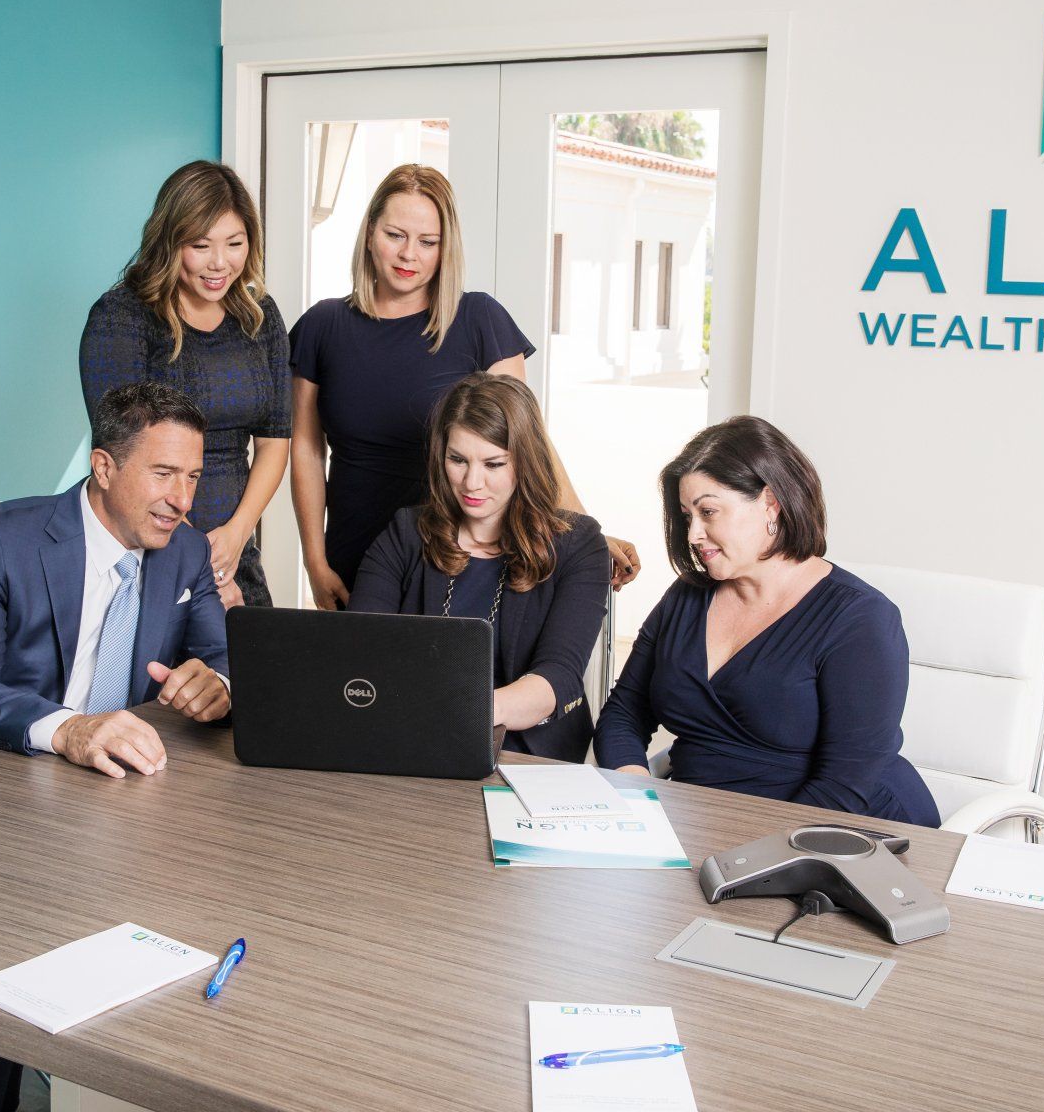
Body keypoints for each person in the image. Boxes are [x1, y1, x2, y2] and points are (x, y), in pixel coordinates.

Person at [0, 382, 231, 1112]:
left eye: (194, 476)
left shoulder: (187, 552)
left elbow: (223, 656)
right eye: (164, 474)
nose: (183, 498)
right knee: (26, 899)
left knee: (201, 870)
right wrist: (69, 729)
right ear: (104, 467)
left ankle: (129, 1076)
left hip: (96, 798)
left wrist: (217, 684)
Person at [289, 163, 639, 609]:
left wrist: (585, 531)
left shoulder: (478, 319)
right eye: (395, 235)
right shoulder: (323, 326)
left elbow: (528, 444)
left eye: (427, 242)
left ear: (445, 246)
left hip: (458, 557)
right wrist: (314, 562)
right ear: (370, 232)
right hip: (353, 553)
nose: (408, 255)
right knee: (362, 679)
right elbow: (306, 448)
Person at [592, 416, 940, 828]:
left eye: (709, 512)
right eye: (688, 516)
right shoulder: (686, 598)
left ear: (771, 504)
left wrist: (736, 851)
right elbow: (624, 714)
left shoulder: (861, 619)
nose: (693, 534)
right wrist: (638, 796)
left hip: (839, 835)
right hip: (702, 827)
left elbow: (843, 789)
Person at [349, 374, 610, 758]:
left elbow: (557, 676)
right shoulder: (406, 532)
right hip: (410, 739)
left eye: (493, 463)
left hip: (527, 755)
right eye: (458, 460)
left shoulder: (579, 544)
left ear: (526, 460)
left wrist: (458, 711)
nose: (472, 482)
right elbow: (359, 647)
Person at [80, 161, 290, 609]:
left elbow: (274, 443)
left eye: (235, 244)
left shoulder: (260, 316)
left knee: (259, 674)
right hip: (148, 547)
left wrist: (236, 536)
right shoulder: (121, 318)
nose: (220, 263)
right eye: (200, 245)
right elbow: (125, 454)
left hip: (234, 548)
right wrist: (199, 559)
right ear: (169, 242)